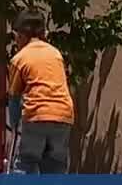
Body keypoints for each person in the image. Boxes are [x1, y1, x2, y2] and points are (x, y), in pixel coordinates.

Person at [6, 10, 74, 174]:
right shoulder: (56, 54)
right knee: (55, 168)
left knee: (24, 164)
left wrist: (15, 127)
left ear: (21, 35)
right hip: (63, 116)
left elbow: (14, 98)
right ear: (44, 34)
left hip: (36, 116)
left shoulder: (20, 58)